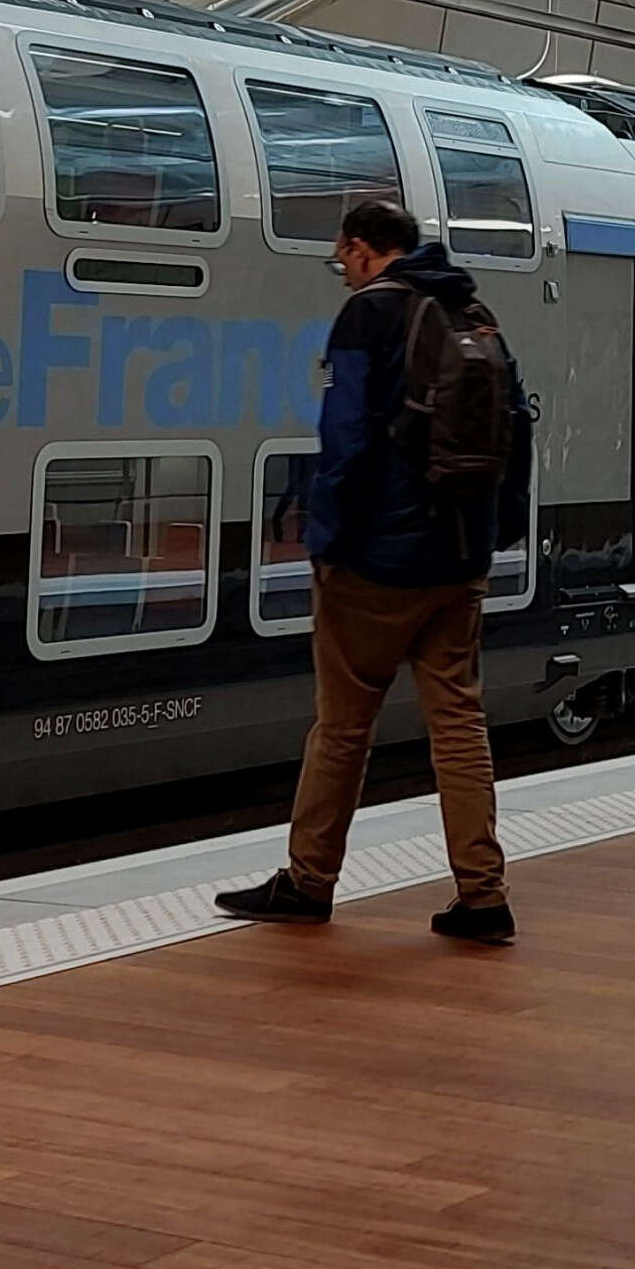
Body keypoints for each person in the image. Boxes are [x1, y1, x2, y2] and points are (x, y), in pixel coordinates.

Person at [217, 199, 527, 943]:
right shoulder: (473, 311)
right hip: (460, 556)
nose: (343, 273)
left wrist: (326, 542)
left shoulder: (368, 317)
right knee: (458, 725)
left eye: (340, 261)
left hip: (377, 566)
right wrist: (491, 535)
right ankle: (484, 896)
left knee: (344, 727)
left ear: (361, 250)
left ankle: (308, 881)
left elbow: (346, 441)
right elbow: (517, 429)